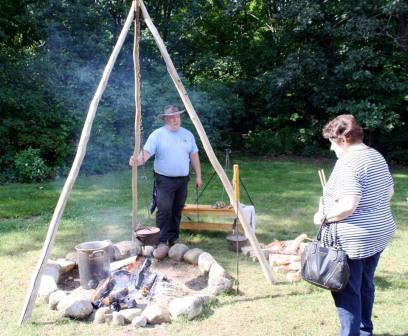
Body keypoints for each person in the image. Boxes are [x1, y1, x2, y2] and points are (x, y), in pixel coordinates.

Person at [313, 114, 396, 336]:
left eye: (332, 142)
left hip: (355, 240)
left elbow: (348, 205)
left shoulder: (348, 162)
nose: (331, 149)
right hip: (379, 233)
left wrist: (324, 218)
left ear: (343, 139)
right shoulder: (375, 155)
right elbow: (388, 193)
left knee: (347, 290)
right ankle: (364, 330)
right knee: (364, 284)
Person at [129, 104, 202, 259]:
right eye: (172, 117)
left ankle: (173, 237)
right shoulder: (158, 135)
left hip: (183, 179)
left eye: (178, 116)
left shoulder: (187, 134)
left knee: (177, 209)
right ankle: (161, 240)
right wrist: (137, 160)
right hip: (164, 179)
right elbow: (146, 153)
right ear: (166, 119)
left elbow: (194, 155)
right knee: (164, 209)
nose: (176, 119)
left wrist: (198, 176)